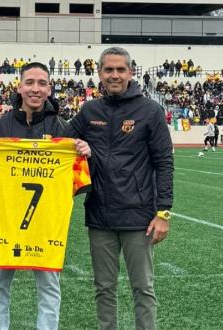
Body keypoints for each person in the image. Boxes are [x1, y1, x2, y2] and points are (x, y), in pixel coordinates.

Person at [0, 62, 91, 330]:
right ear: (19, 86)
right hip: (5, 221)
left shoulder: (63, 128)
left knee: (49, 285)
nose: (35, 89)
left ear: (49, 89)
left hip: (46, 224)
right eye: (30, 82)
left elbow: (77, 181)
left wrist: (82, 151)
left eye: (42, 83)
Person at [64, 47, 174, 330]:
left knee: (143, 288)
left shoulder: (150, 111)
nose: (114, 75)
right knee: (103, 288)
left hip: (139, 217)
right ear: (99, 73)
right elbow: (59, 142)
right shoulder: (89, 111)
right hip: (100, 215)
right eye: (108, 70)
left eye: (120, 69)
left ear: (131, 72)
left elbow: (164, 163)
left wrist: (163, 213)